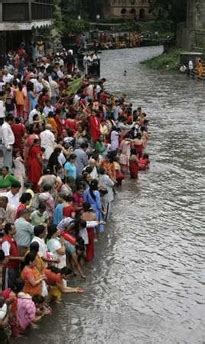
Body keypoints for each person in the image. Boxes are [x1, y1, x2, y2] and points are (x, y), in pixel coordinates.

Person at [1, 223, 23, 289]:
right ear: (9, 231)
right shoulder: (6, 242)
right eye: (14, 229)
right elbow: (7, 257)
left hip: (15, 266)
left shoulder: (12, 239)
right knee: (8, 286)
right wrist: (20, 258)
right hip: (9, 267)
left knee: (13, 285)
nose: (15, 230)